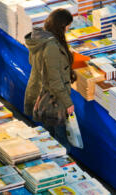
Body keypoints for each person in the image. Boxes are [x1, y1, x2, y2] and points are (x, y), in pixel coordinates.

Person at [24, 8, 76, 152]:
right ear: (61, 26)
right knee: (60, 142)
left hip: (40, 96)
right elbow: (54, 81)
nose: (68, 29)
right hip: (52, 100)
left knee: (46, 139)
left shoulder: (39, 38)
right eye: (67, 26)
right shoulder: (51, 47)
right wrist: (68, 103)